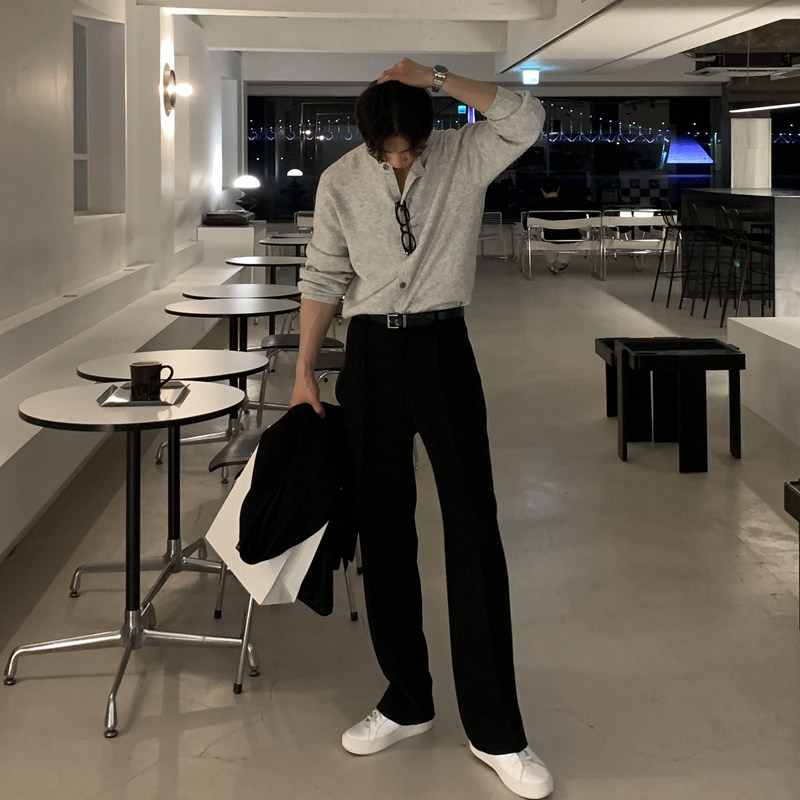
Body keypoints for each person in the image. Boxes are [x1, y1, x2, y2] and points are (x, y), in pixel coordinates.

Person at [291, 58, 552, 800]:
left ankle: (497, 730)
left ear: (428, 134)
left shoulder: (466, 155)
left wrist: (438, 76)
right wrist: (303, 370)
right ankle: (407, 698)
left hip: (443, 350)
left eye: (410, 148)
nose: (401, 160)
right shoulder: (341, 180)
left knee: (474, 525)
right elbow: (323, 279)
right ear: (369, 141)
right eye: (389, 152)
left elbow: (526, 117)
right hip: (371, 355)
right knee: (383, 528)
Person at [534, 176, 582, 274]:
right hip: (570, 238)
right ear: (558, 188)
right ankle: (560, 262)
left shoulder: (537, 207)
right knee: (570, 238)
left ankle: (555, 262)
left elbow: (527, 225)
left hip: (548, 238)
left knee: (541, 236)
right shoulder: (570, 204)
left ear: (542, 190)